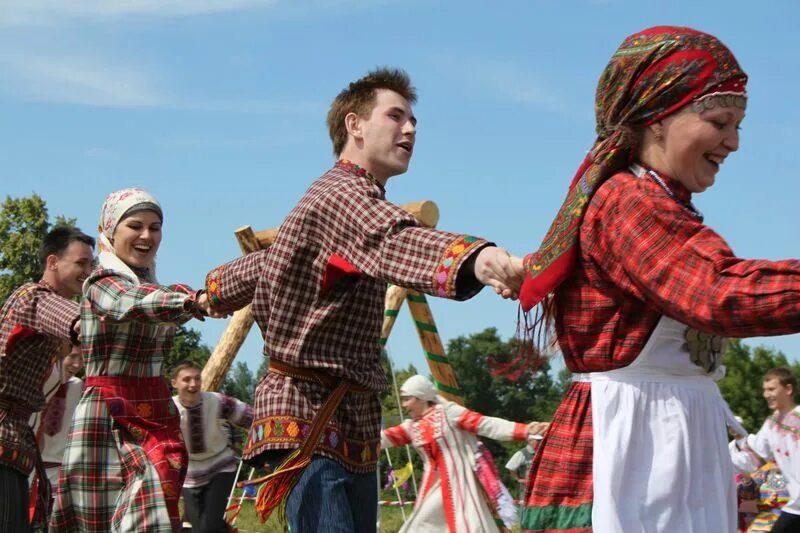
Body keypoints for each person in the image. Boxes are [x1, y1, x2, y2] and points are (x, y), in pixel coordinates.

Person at [202, 67, 524, 532]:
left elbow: (261, 268)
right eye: (396, 116)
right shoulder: (344, 195)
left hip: (347, 417)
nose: (410, 128)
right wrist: (481, 259)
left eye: (413, 121)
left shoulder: (342, 201)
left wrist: (205, 294)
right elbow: (393, 238)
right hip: (309, 413)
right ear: (355, 125)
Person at [513, 26, 800, 532]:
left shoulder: (661, 207)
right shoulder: (628, 202)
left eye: (738, 125)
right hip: (632, 448)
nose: (733, 142)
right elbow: (719, 293)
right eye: (718, 121)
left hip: (667, 438)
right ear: (659, 120)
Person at [50, 188, 216, 533]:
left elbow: (159, 299)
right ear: (110, 230)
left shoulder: (155, 286)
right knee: (100, 520)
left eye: (155, 227)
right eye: (135, 226)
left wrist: (225, 292)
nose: (146, 236)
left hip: (155, 415)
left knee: (152, 514)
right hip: (107, 417)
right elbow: (129, 303)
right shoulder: (101, 281)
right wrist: (193, 301)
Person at [0, 226, 94, 531]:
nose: (87, 272)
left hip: (15, 444)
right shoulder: (33, 297)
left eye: (91, 265)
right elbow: (80, 322)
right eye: (81, 263)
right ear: (52, 262)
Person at [381, 375, 547, 532]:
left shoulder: (449, 413)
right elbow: (382, 438)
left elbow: (487, 424)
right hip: (431, 490)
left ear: (421, 397)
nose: (404, 405)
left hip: (460, 485)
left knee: (468, 527)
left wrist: (525, 430)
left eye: (407, 399)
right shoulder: (411, 427)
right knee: (418, 526)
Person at [171, 360, 254, 533]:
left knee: (206, 527)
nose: (193, 384)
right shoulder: (169, 409)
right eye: (186, 379)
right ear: (174, 383)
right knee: (199, 527)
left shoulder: (216, 401)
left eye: (197, 378)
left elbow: (249, 416)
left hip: (220, 467)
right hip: (190, 474)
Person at [730, 368, 800, 532]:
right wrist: (716, 460)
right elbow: (756, 456)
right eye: (764, 390)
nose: (766, 394)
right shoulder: (771, 424)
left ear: (788, 389)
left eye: (771, 389)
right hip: (796, 506)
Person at [28, 343, 85, 505]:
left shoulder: (80, 389)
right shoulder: (35, 382)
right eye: (72, 356)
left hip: (57, 478)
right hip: (26, 469)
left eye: (82, 359)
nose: (77, 364)